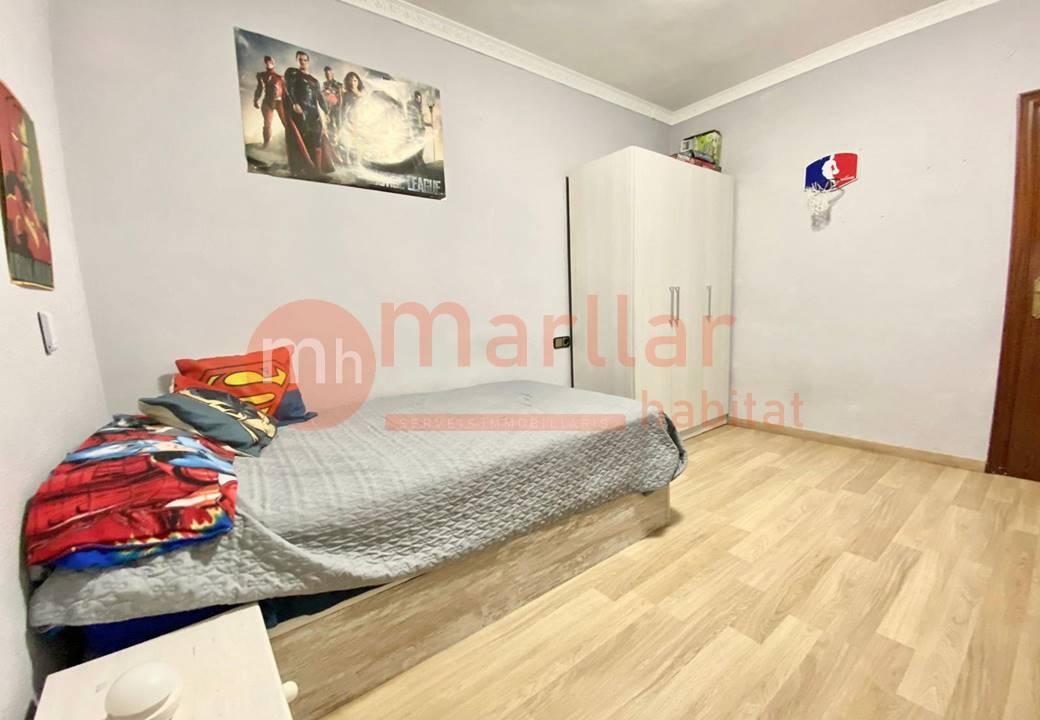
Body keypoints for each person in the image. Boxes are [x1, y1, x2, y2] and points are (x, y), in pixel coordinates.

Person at [283, 50, 335, 178]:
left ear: (308, 61)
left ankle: (317, 170)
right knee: (302, 140)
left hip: (313, 113)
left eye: (305, 60)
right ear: (297, 61)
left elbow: (320, 98)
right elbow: (289, 89)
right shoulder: (293, 74)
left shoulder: (314, 81)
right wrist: (295, 103)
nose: (302, 62)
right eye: (300, 60)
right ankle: (303, 169)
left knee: (317, 139)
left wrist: (326, 112)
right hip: (301, 111)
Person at [253, 56, 286, 148]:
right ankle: (266, 145)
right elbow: (259, 88)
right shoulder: (261, 75)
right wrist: (256, 99)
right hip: (268, 102)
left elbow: (285, 92)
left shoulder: (280, 77)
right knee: (267, 124)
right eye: (266, 61)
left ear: (273, 62)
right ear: (265, 63)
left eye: (270, 61)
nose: (268, 63)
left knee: (286, 123)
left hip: (279, 102)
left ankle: (292, 144)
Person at [322, 66, 344, 136]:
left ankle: (339, 137)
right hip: (328, 108)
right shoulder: (324, 84)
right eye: (326, 74)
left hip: (336, 107)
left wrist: (339, 108)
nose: (327, 75)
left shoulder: (338, 84)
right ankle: (331, 138)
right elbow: (323, 95)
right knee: (329, 125)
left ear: (332, 73)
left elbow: (341, 97)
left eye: (329, 73)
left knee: (338, 124)